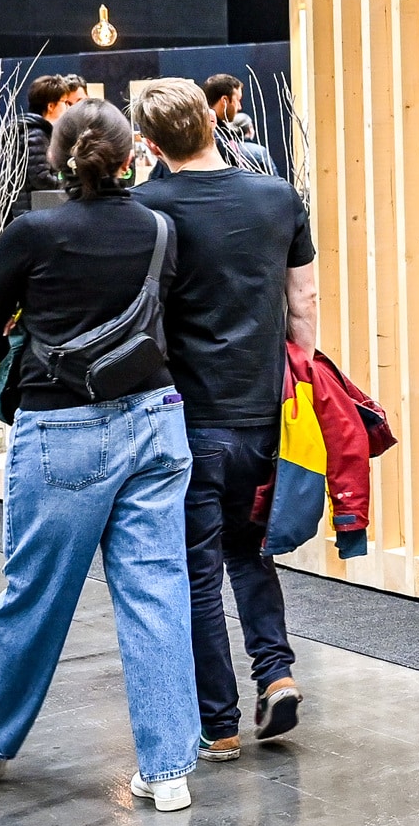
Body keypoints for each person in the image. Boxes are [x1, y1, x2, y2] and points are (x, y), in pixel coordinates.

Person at [0, 98, 202, 810]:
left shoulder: (33, 232)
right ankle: (168, 767)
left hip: (62, 429)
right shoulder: (161, 230)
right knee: (158, 591)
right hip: (156, 419)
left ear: (58, 155)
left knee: (38, 593)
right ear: (129, 155)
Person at [135, 78, 318, 760]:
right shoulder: (277, 198)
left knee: (197, 571)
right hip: (266, 410)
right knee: (250, 550)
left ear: (152, 144)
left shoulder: (146, 208)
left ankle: (221, 723)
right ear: (214, 124)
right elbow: (304, 306)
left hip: (189, 418)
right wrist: (298, 384)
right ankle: (277, 670)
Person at [6, 73, 84, 222]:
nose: (68, 108)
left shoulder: (31, 130)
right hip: (32, 212)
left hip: (28, 211)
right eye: (65, 102)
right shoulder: (37, 134)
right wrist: (71, 184)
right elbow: (41, 178)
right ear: (51, 106)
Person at [204, 74, 274, 175]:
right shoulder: (215, 137)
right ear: (225, 100)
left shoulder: (210, 131)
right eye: (238, 100)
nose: (240, 107)